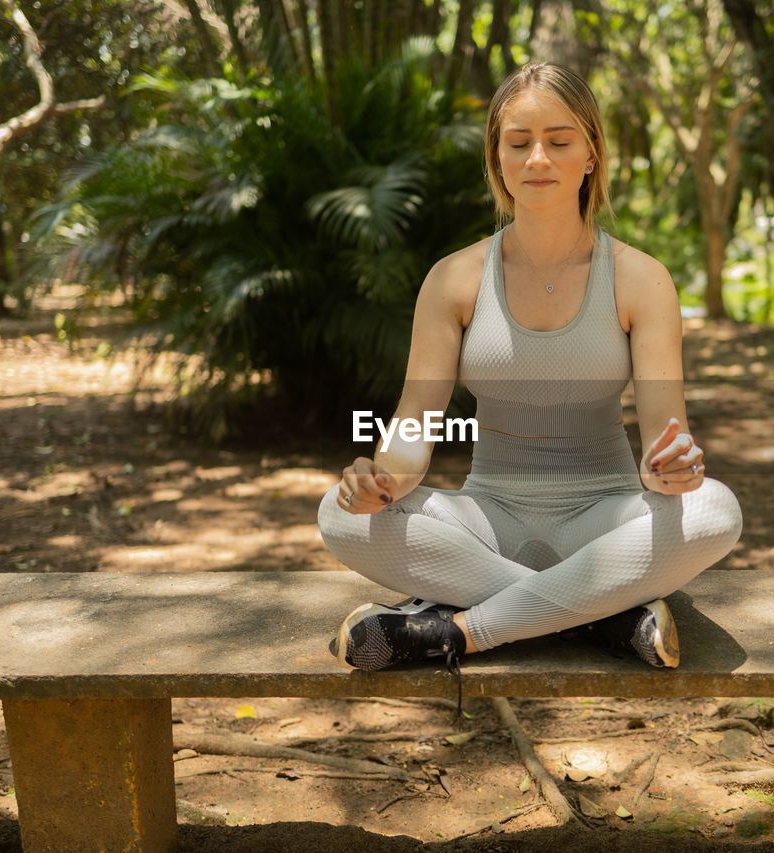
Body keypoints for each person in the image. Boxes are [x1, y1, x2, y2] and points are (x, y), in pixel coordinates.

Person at [318, 62, 742, 684]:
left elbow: (663, 438)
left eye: (559, 140)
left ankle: (461, 631)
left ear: (591, 154)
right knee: (336, 511)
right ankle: (603, 618)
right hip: (487, 522)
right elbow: (412, 430)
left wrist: (670, 467)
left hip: (607, 518)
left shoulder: (640, 278)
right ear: (496, 158)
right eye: (518, 142)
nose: (537, 158)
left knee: (715, 510)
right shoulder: (454, 279)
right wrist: (380, 479)